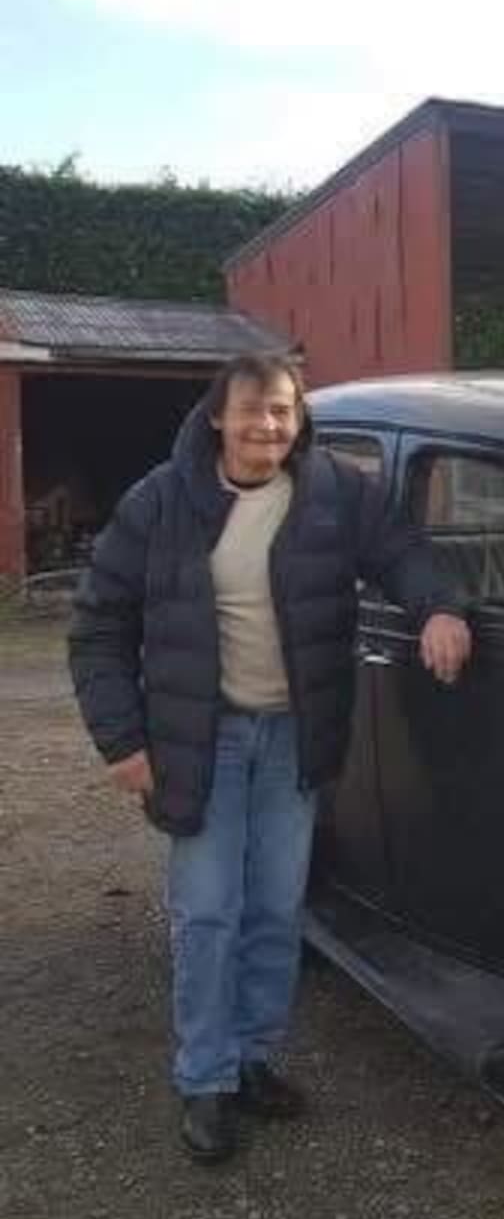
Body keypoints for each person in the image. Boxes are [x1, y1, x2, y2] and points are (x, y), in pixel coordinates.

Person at [68, 353, 471, 1164]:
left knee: (276, 910)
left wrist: (438, 608)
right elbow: (98, 627)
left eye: (284, 412)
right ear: (217, 416)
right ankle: (205, 1080)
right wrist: (122, 741)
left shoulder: (333, 494)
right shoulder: (162, 502)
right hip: (199, 740)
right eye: (253, 411)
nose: (269, 427)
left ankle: (253, 1059)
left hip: (294, 736)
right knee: (209, 911)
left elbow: (402, 550)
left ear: (299, 419)